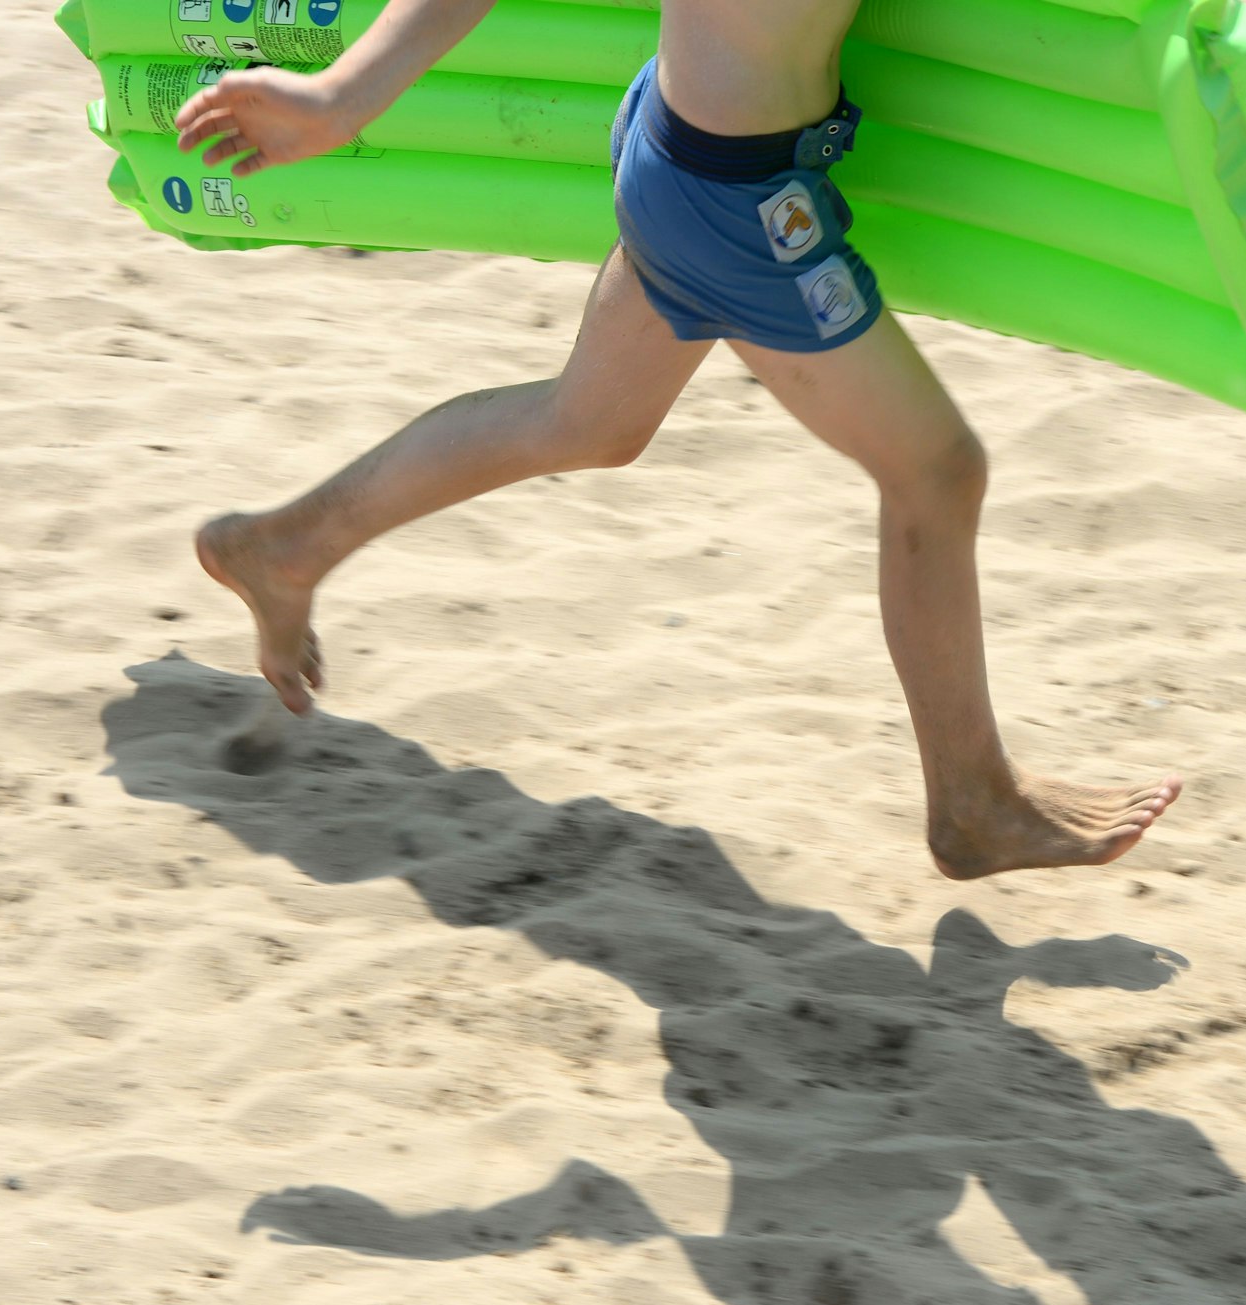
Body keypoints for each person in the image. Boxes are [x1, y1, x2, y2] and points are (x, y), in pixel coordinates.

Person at [173, 0, 1181, 878]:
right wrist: (344, 97)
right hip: (731, 200)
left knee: (587, 423)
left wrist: (347, 96)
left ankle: (284, 547)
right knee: (935, 471)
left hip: (694, 148)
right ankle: (970, 804)